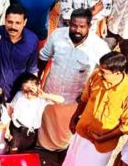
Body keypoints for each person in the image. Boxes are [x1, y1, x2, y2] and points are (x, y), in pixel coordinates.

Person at [57, 52, 128, 166]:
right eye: (100, 69)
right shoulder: (96, 76)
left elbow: (126, 126)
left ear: (117, 73)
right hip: (83, 130)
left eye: (104, 72)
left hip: (103, 141)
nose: (99, 73)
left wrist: (103, 138)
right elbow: (84, 99)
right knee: (75, 159)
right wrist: (75, 118)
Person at [37, 8, 111, 151]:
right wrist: (38, 80)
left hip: (74, 98)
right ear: (69, 23)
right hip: (51, 90)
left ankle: (63, 150)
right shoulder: (58, 35)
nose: (77, 30)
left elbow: (107, 75)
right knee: (46, 125)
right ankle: (42, 146)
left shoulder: (99, 46)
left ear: (89, 27)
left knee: (65, 131)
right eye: (74, 25)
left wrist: (87, 94)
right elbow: (44, 56)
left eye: (82, 27)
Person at [0, 4, 39, 101]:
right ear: (5, 20)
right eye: (10, 22)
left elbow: (32, 69)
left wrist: (32, 87)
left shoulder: (32, 40)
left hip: (16, 94)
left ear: (24, 22)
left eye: (18, 23)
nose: (13, 26)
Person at [8, 72, 64, 152]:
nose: (27, 95)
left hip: (31, 131)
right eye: (25, 91)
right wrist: (7, 129)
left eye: (30, 91)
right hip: (17, 127)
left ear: (38, 86)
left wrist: (45, 95)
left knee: (27, 149)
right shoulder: (19, 95)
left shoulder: (42, 99)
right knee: (14, 148)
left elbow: (61, 100)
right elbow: (11, 108)